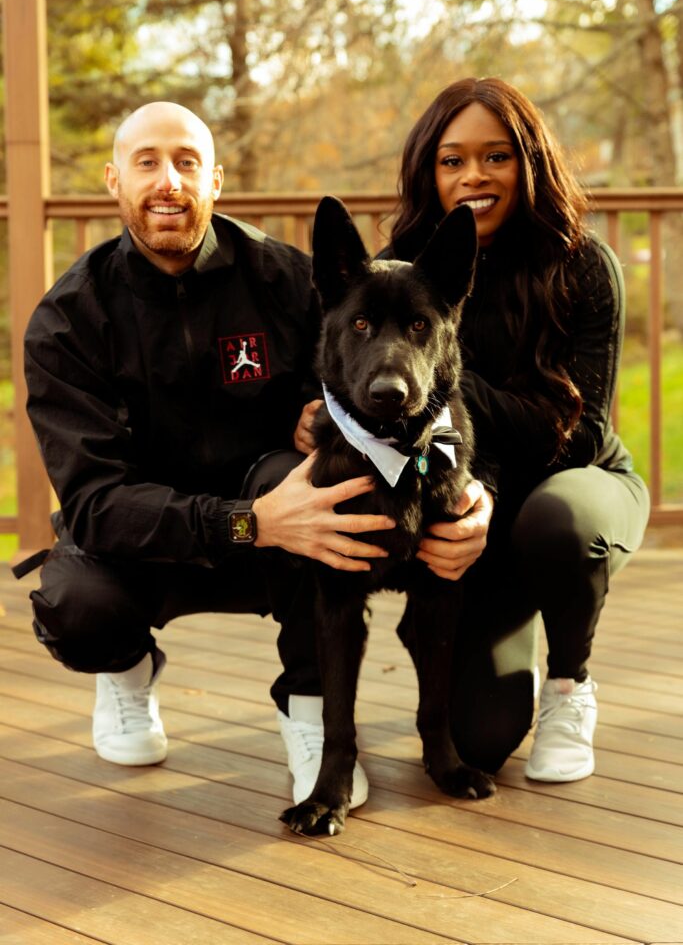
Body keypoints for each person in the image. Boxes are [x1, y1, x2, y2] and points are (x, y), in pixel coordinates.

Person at [19, 100, 411, 807]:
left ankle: (313, 711)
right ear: (114, 181)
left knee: (321, 488)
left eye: (186, 162)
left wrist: (322, 415)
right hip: (149, 546)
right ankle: (127, 671)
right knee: (76, 604)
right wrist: (245, 522)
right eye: (147, 162)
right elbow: (96, 504)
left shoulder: (285, 280)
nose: (168, 180)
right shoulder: (68, 320)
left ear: (216, 182)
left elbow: (370, 372)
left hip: (280, 537)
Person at [373, 76, 650, 781]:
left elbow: (579, 432)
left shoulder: (582, 265)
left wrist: (457, 390)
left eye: (495, 156)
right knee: (479, 743)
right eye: (451, 159)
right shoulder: (408, 272)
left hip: (573, 484)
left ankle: (569, 685)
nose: (473, 175)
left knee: (557, 521)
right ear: (427, 171)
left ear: (528, 163)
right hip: (478, 506)